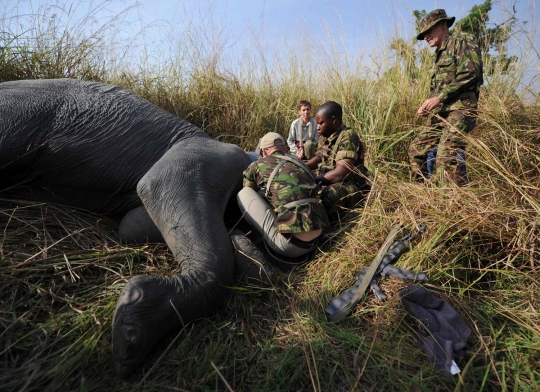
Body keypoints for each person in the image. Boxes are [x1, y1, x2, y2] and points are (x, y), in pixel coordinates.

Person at [409, 9, 483, 186]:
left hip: (461, 109)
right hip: (442, 112)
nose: (426, 36)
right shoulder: (439, 54)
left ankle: (453, 201)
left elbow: (472, 72)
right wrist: (428, 105)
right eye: (423, 33)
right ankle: (423, 191)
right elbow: (439, 88)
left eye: (429, 31)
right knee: (416, 149)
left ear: (443, 25)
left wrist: (439, 98)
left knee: (447, 153)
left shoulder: (461, 40)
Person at [238, 132, 328, 259]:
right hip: (320, 237)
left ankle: (256, 236)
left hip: (291, 246)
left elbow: (249, 189)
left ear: (264, 152)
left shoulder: (257, 165)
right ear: (284, 149)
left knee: (244, 194)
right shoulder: (300, 163)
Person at [305, 101, 370, 218]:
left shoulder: (348, 137)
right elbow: (318, 158)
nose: (317, 127)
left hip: (350, 185)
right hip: (329, 180)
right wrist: (301, 168)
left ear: (333, 120)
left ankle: (333, 225)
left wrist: (312, 180)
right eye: (317, 123)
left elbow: (340, 173)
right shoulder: (325, 137)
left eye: (321, 123)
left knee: (328, 195)